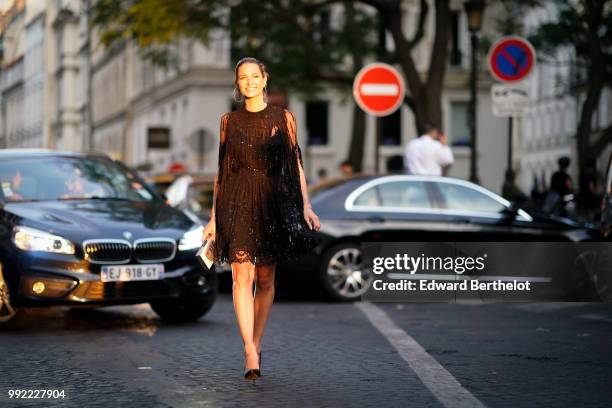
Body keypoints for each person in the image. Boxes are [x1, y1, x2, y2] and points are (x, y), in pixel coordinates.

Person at [202, 57, 321, 383]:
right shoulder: (229, 121)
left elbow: (295, 165)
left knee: (266, 279)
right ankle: (249, 349)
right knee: (243, 276)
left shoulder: (285, 118)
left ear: (264, 79)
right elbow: (222, 171)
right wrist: (214, 217)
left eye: (255, 76)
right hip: (237, 202)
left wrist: (306, 205)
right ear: (238, 84)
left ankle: (257, 340)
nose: (250, 82)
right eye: (243, 78)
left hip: (272, 203)